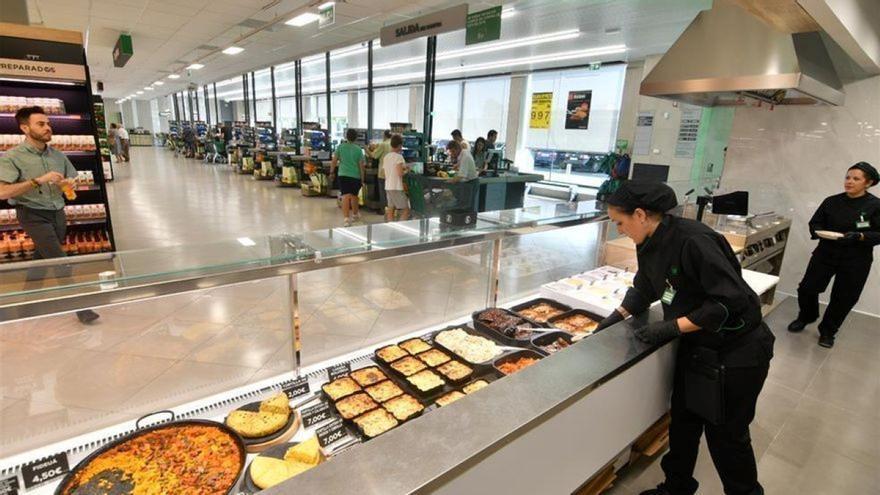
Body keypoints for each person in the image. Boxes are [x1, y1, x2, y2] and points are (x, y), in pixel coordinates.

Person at [596, 181, 774, 495]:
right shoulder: (648, 239)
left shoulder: (695, 240)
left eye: (619, 222)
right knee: (683, 423)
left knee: (727, 437)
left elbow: (728, 302)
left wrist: (672, 327)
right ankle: (676, 487)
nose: (619, 229)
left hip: (736, 352)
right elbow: (645, 288)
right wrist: (615, 318)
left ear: (640, 214)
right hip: (698, 347)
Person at [0, 106, 100, 324]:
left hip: (57, 212)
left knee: (42, 257)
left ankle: (26, 304)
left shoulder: (57, 155)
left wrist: (71, 182)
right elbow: (3, 191)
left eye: (48, 123)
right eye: (41, 124)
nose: (48, 127)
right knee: (59, 260)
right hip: (32, 213)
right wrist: (38, 180)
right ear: (25, 128)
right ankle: (82, 308)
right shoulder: (12, 157)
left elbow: (73, 176)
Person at [787, 162, 880, 347]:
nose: (849, 182)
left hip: (856, 259)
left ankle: (828, 331)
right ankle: (807, 316)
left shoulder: (875, 205)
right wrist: (819, 231)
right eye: (847, 177)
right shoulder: (831, 201)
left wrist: (860, 236)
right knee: (807, 288)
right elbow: (815, 223)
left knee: (844, 297)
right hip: (825, 253)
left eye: (856, 179)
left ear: (868, 183)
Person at [330, 128, 366, 226]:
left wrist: (331, 172)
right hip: (355, 176)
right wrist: (362, 178)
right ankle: (355, 214)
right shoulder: (358, 150)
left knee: (345, 196)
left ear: (346, 136)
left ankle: (346, 218)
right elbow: (361, 166)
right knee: (354, 196)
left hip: (343, 174)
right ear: (356, 138)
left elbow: (334, 161)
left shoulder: (340, 147)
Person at [382, 134, 410, 222]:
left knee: (391, 208)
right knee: (406, 209)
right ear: (399, 145)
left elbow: (385, 172)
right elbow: (400, 173)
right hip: (396, 187)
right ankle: (400, 228)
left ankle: (391, 227)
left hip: (388, 186)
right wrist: (407, 171)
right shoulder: (399, 157)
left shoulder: (386, 157)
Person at [370, 130, 393, 208]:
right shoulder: (393, 144)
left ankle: (384, 209)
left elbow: (374, 156)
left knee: (383, 192)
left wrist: (367, 149)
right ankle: (391, 209)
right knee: (390, 192)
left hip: (383, 172)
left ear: (385, 136)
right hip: (392, 172)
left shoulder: (383, 144)